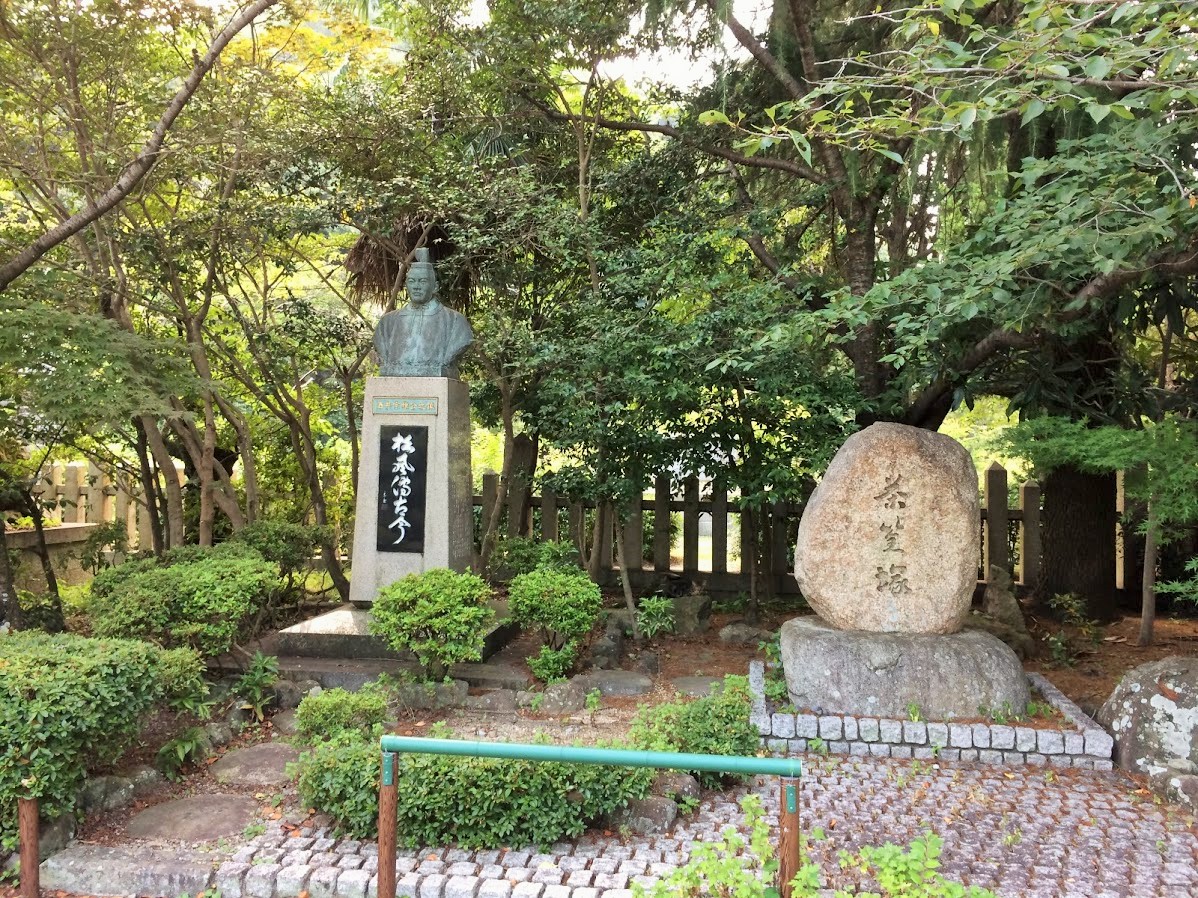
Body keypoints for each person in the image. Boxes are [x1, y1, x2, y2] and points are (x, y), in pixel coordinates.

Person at [373, 248, 473, 377]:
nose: (416, 286)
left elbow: (462, 342)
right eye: (412, 281)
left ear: (435, 287)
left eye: (423, 281)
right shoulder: (387, 322)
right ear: (406, 286)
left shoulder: (454, 320)